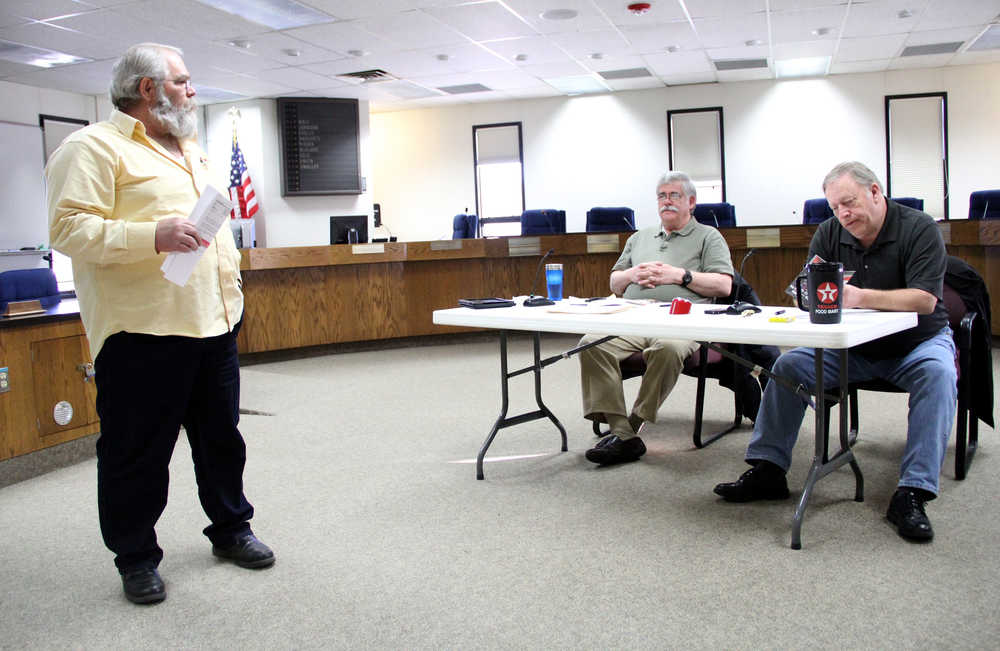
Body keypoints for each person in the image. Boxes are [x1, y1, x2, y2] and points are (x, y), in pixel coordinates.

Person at [46, 43, 274, 605]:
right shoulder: (91, 147)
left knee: (221, 441)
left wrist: (234, 293)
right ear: (148, 89)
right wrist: (152, 234)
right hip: (142, 334)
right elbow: (69, 230)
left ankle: (231, 530)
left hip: (214, 325)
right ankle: (136, 558)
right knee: (137, 453)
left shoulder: (191, 149)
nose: (193, 90)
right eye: (183, 81)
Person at [713, 161, 956, 542]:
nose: (843, 214)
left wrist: (859, 297)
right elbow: (806, 288)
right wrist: (804, 294)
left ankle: (913, 492)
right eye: (835, 207)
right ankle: (768, 469)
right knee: (788, 365)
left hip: (917, 343)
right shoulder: (830, 232)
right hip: (852, 347)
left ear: (875, 192)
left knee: (939, 376)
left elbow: (925, 300)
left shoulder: (919, 227)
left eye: (850, 203)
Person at [579, 171, 734, 465]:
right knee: (590, 342)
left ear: (691, 201)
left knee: (669, 348)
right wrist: (630, 274)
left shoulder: (708, 237)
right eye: (661, 196)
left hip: (683, 321)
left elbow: (724, 285)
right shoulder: (639, 238)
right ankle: (622, 433)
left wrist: (680, 275)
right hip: (633, 318)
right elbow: (615, 283)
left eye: (674, 195)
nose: (667, 201)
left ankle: (634, 423)